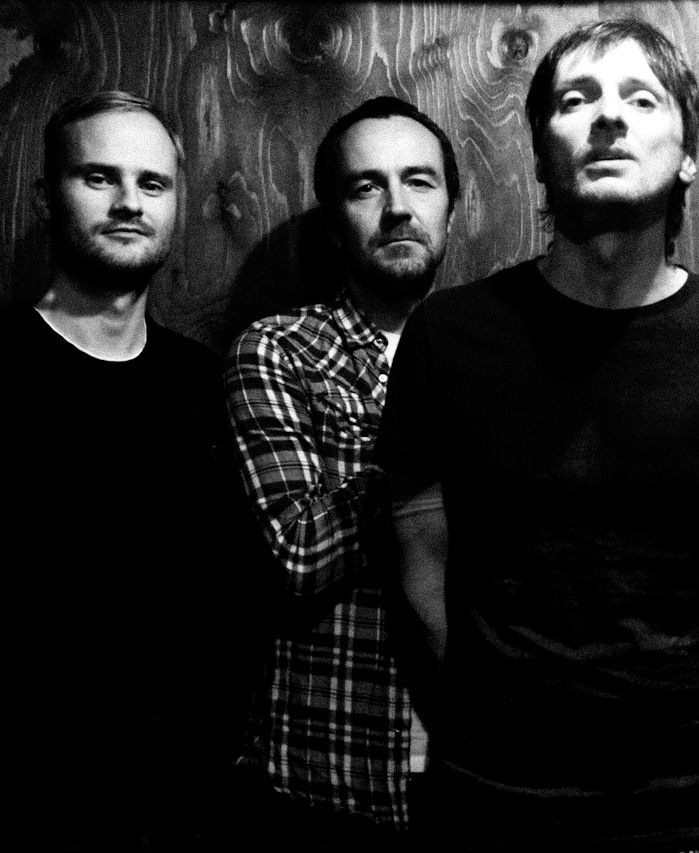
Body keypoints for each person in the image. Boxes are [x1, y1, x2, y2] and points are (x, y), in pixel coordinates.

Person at [375, 19, 699, 852]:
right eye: (577, 100)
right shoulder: (449, 337)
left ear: (688, 154)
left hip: (690, 806)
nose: (608, 117)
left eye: (641, 99)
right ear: (541, 153)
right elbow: (422, 562)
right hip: (491, 799)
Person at [0, 91, 236, 850]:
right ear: (45, 196)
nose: (130, 202)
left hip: (177, 810)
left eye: (153, 182)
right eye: (99, 177)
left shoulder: (201, 383)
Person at [224, 96, 458, 849]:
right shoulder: (281, 350)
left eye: (419, 181)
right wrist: (441, 441)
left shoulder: (496, 353)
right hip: (328, 772)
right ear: (334, 222)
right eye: (367, 187)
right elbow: (297, 555)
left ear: (450, 208)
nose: (398, 208)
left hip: (480, 764)